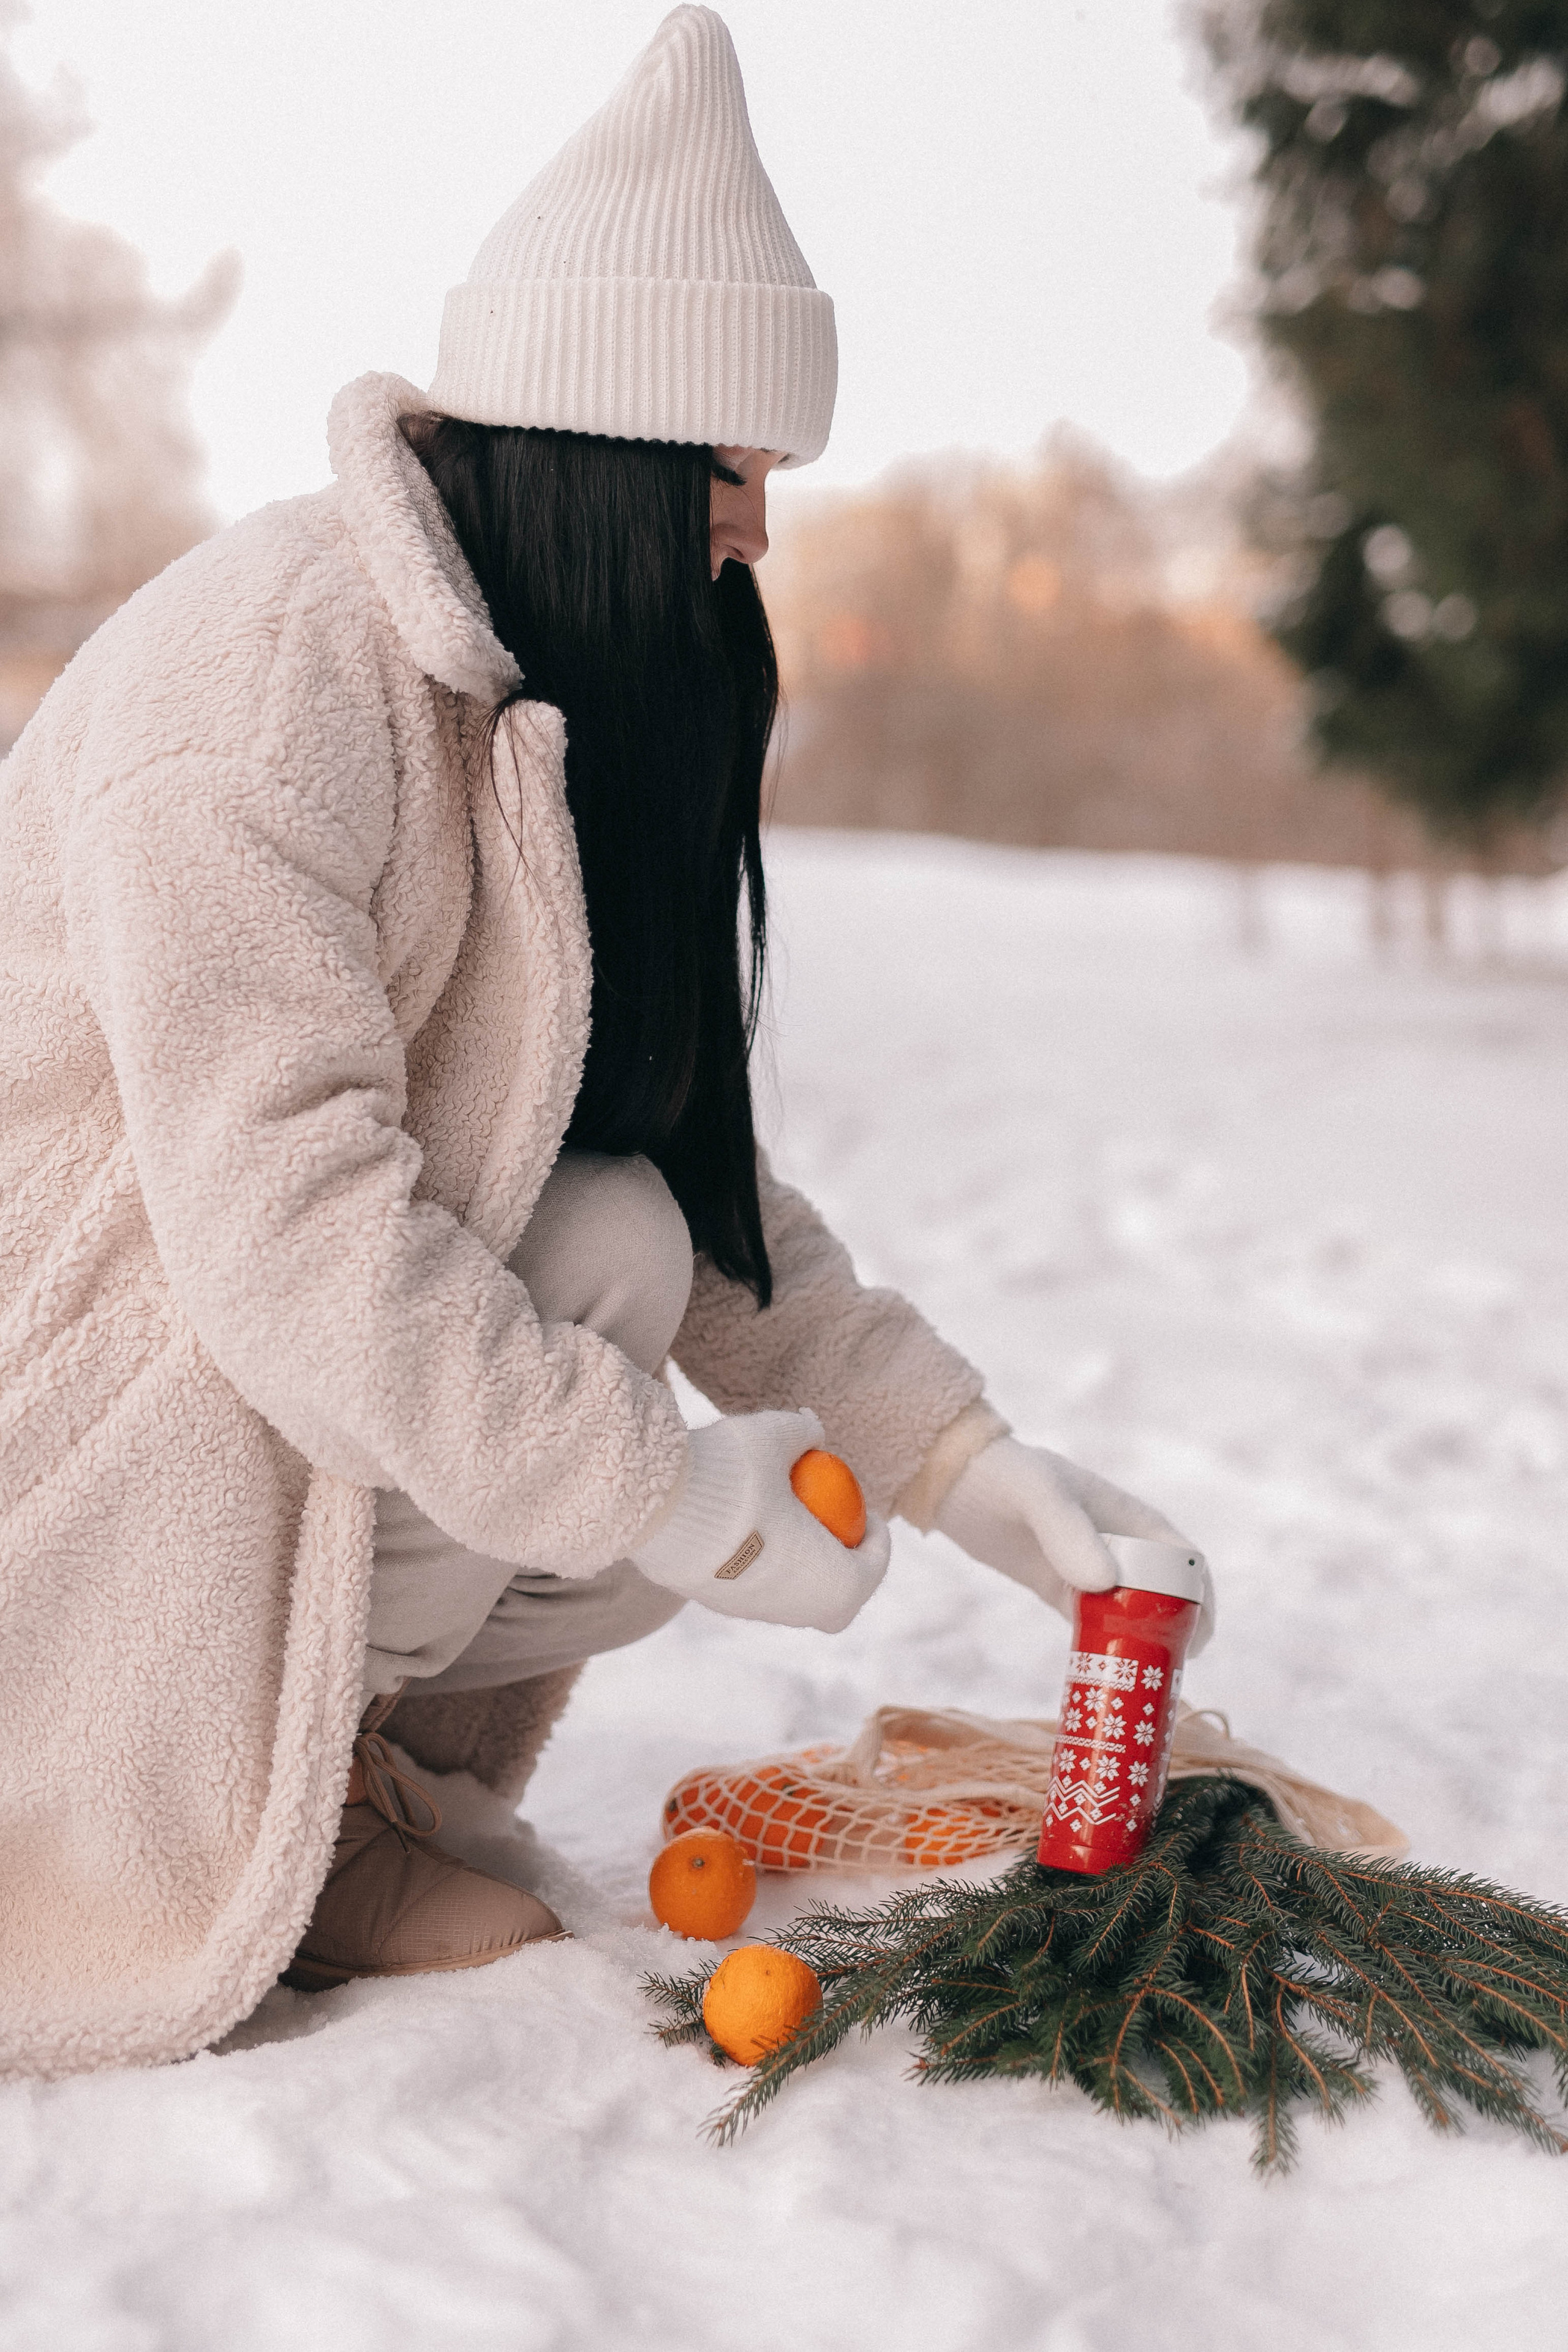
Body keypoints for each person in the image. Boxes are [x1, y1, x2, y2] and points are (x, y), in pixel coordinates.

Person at [0, 6, 1210, 2073]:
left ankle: (330, 1791)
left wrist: (960, 1465)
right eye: (734, 472)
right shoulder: (272, 680)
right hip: (69, 1400)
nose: (755, 533)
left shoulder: (504, 708)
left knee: (627, 1243)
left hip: (217, 1356)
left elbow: (680, 1170)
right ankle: (155, 1810)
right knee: (593, 1337)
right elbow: (281, 1223)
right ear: (610, 448)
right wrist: (657, 1487)